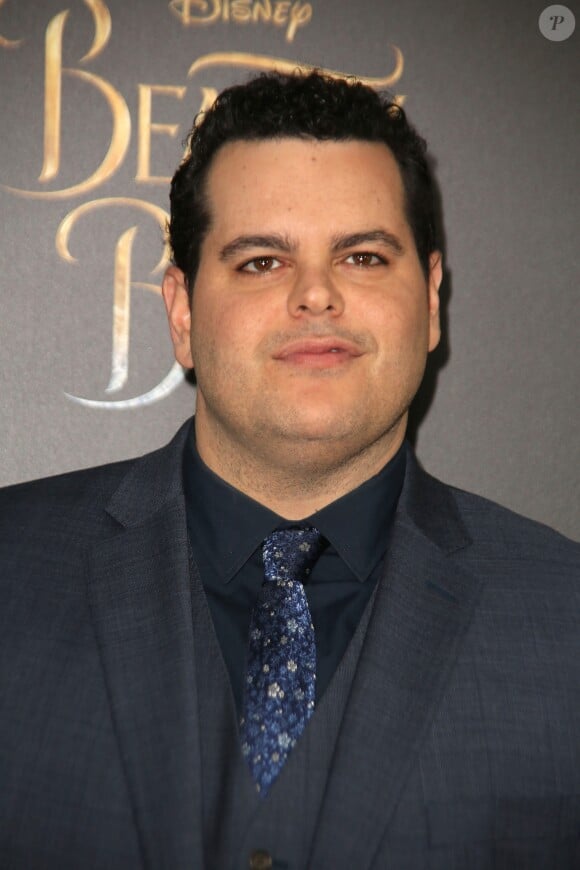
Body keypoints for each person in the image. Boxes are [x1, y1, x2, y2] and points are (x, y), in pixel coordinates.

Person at [0, 71, 578, 870]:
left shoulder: (566, 617)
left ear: (433, 300)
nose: (316, 296)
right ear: (181, 312)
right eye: (263, 263)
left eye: (365, 256)